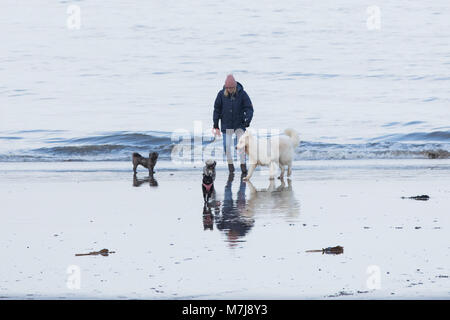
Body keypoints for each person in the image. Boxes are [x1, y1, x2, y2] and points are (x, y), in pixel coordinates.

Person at [213, 74, 254, 174]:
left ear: (235, 86)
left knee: (241, 146)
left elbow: (249, 108)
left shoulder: (242, 94)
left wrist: (247, 121)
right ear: (225, 87)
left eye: (232, 87)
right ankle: (230, 166)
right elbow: (216, 110)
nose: (230, 89)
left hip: (239, 124)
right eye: (228, 88)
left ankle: (243, 166)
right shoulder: (221, 94)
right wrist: (215, 125)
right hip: (226, 125)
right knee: (226, 146)